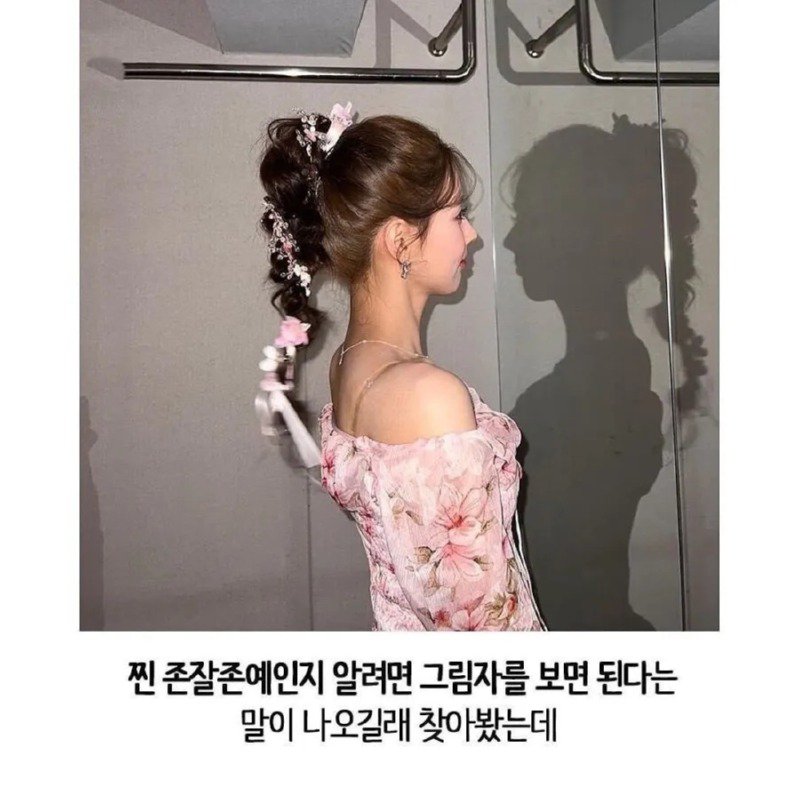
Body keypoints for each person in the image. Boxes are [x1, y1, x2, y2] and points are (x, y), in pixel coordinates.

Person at [257, 101, 547, 631]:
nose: (472, 235)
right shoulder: (425, 395)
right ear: (399, 240)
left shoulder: (350, 362)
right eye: (457, 216)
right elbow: (484, 630)